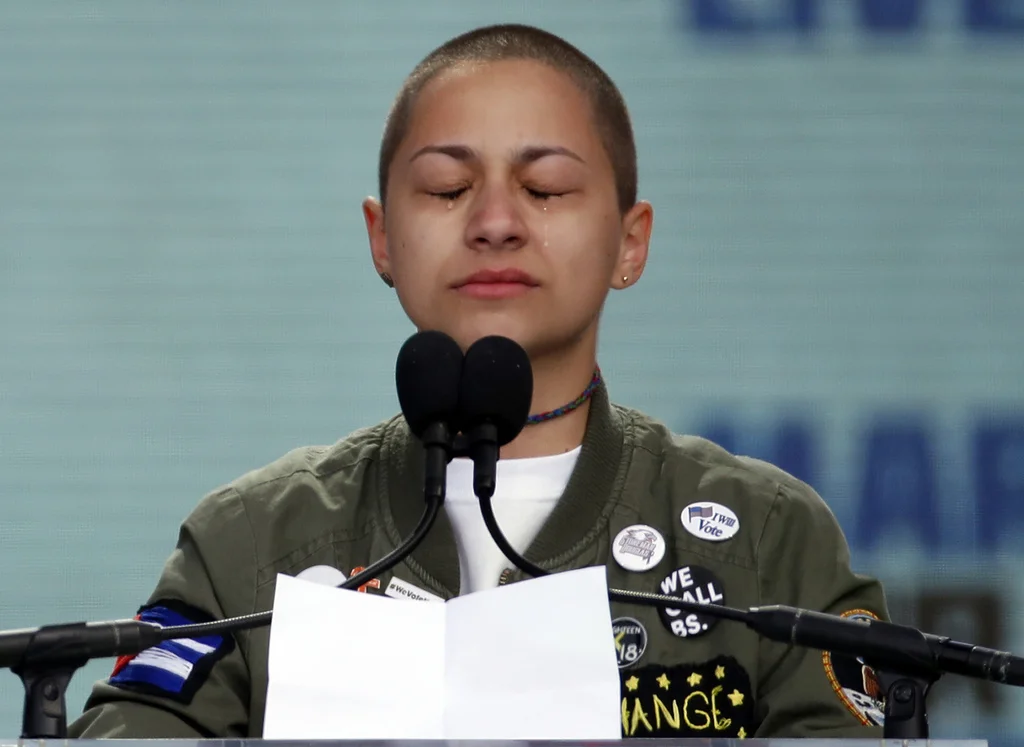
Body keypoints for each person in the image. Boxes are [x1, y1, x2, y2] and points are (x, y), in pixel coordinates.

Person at [70, 22, 890, 739]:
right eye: (448, 189)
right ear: (382, 237)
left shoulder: (769, 540)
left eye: (545, 189)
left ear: (630, 241)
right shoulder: (252, 541)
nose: (495, 223)